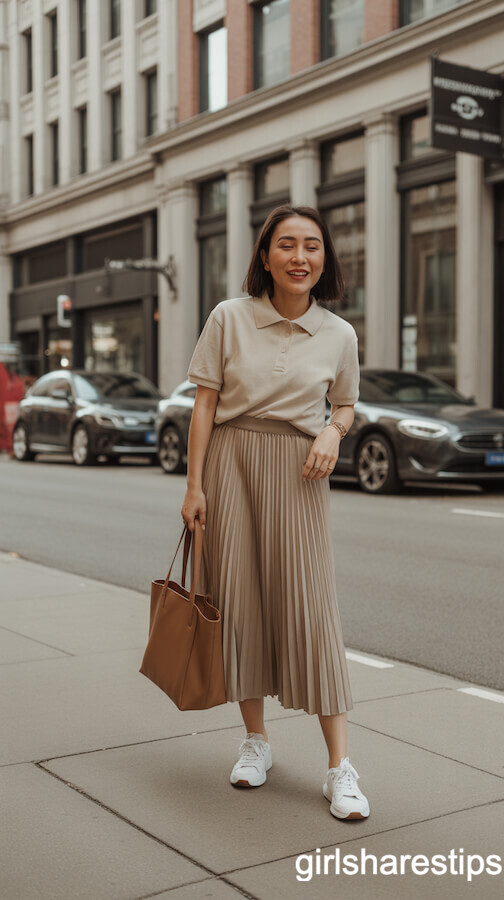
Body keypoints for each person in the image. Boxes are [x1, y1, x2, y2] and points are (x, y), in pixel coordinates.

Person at [181, 204, 369, 820]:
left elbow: (344, 406)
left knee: (312, 612)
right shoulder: (229, 318)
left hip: (300, 473)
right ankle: (256, 740)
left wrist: (332, 433)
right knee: (241, 603)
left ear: (325, 258)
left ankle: (340, 768)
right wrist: (194, 486)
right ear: (264, 256)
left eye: (311, 246)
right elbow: (204, 406)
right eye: (286, 245)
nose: (299, 257)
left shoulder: (339, 334)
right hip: (230, 466)